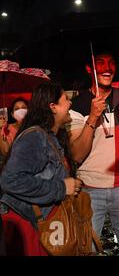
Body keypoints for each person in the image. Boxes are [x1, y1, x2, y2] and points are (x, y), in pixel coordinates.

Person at [66, 51, 119, 256]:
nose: (107, 68)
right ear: (89, 69)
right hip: (89, 190)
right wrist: (92, 116)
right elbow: (76, 154)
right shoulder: (78, 104)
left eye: (111, 63)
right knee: (88, 249)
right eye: (100, 63)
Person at [0, 83, 82, 256]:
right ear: (52, 107)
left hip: (43, 226)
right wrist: (61, 188)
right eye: (65, 99)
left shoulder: (49, 136)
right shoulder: (35, 137)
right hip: (30, 228)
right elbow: (10, 180)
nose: (70, 104)